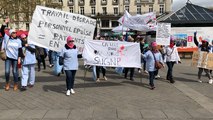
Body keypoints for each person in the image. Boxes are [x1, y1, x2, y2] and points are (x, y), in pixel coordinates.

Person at [0, 18, 22, 91]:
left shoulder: (19, 40)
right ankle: (7, 84)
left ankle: (15, 84)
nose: (15, 34)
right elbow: (2, 31)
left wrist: (19, 58)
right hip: (8, 58)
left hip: (15, 58)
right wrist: (4, 23)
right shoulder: (7, 38)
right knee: (7, 71)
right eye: (13, 33)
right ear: (10, 34)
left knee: (15, 72)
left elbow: (20, 50)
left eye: (15, 33)